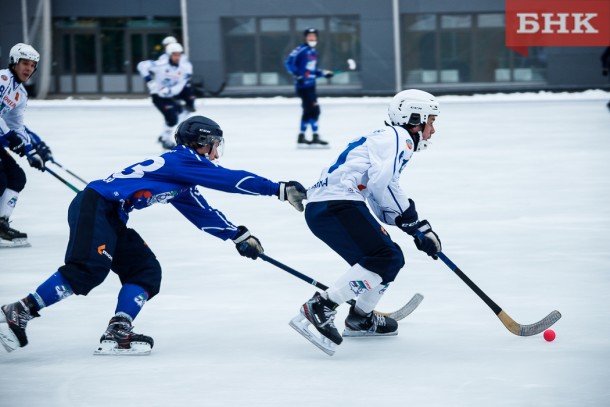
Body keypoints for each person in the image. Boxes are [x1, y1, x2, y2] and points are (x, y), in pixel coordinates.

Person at [0, 115, 307, 355]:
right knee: (89, 269)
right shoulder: (185, 161)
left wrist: (238, 236)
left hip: (110, 214)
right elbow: (230, 180)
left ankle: (118, 329)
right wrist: (278, 189)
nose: (216, 152)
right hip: (96, 205)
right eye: (214, 144)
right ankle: (22, 309)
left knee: (146, 271)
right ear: (201, 142)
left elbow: (202, 213)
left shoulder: (182, 177)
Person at [288, 89, 442, 356]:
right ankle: (322, 305)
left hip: (326, 207)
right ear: (414, 118)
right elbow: (385, 183)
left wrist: (407, 225)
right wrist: (417, 225)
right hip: (337, 204)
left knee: (388, 259)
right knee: (386, 257)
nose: (433, 129)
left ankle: (361, 318)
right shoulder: (400, 137)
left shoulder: (383, 138)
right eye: (431, 121)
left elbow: (376, 194)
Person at [0, 43, 54, 248]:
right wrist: (9, 136)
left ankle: (1, 223)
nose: (28, 69)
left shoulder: (20, 93)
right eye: (24, 63)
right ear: (14, 62)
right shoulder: (2, 79)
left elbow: (17, 125)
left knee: (16, 178)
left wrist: (31, 151)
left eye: (32, 65)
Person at [137, 42, 195, 150]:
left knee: (178, 115)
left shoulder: (183, 69)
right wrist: (149, 81)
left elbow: (180, 85)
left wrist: (169, 90)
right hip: (158, 96)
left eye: (179, 54)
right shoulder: (160, 64)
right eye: (174, 55)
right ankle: (165, 139)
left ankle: (164, 136)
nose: (177, 57)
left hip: (171, 96)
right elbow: (141, 66)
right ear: (169, 55)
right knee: (172, 118)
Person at [284, 27, 334, 148]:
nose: (312, 38)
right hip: (303, 86)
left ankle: (302, 137)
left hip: (311, 85)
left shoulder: (313, 52)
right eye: (309, 36)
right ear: (306, 38)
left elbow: (312, 71)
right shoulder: (301, 49)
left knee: (308, 111)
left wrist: (324, 73)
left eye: (314, 36)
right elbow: (289, 62)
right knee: (314, 110)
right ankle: (315, 136)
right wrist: (297, 75)